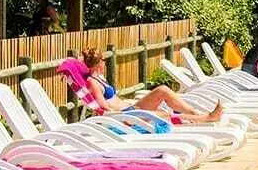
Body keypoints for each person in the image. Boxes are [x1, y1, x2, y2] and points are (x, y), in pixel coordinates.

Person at [80, 47, 225, 123]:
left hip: (130, 108)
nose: (104, 63)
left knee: (163, 90)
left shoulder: (99, 78)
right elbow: (104, 107)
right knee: (164, 113)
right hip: (126, 115)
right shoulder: (92, 82)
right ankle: (206, 118)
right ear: (98, 63)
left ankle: (195, 113)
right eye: (103, 61)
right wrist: (123, 116)